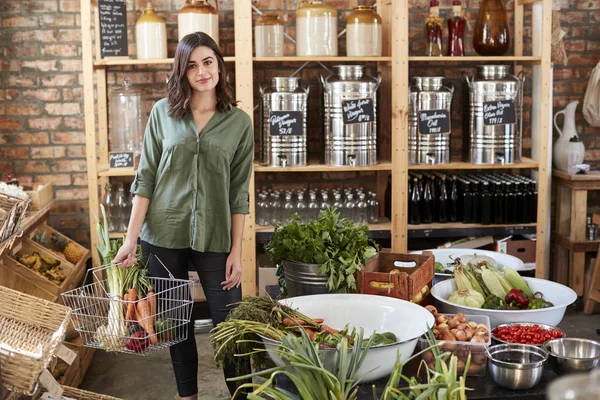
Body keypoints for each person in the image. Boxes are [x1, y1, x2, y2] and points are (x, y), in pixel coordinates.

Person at [113, 32, 253, 400]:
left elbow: (239, 193)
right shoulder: (162, 114)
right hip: (162, 234)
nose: (202, 71)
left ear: (219, 65)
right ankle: (187, 397)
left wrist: (237, 252)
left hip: (217, 236)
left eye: (208, 62)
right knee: (179, 325)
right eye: (192, 66)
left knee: (230, 325)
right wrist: (130, 239)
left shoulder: (238, 123)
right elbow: (145, 179)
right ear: (182, 72)